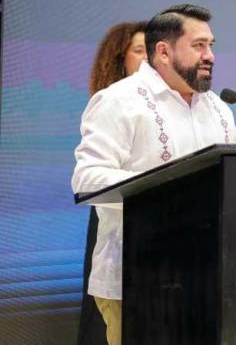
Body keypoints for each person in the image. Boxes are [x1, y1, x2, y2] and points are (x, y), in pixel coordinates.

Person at [71, 4, 236, 345]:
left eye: (211, 45)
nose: (211, 55)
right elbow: (86, 178)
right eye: (199, 45)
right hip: (137, 282)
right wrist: (163, 192)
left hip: (208, 279)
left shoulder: (218, 108)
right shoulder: (119, 101)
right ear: (163, 50)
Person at [77, 21, 147, 345]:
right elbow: (88, 177)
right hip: (117, 215)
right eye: (139, 51)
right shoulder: (111, 103)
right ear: (119, 59)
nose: (149, 60)